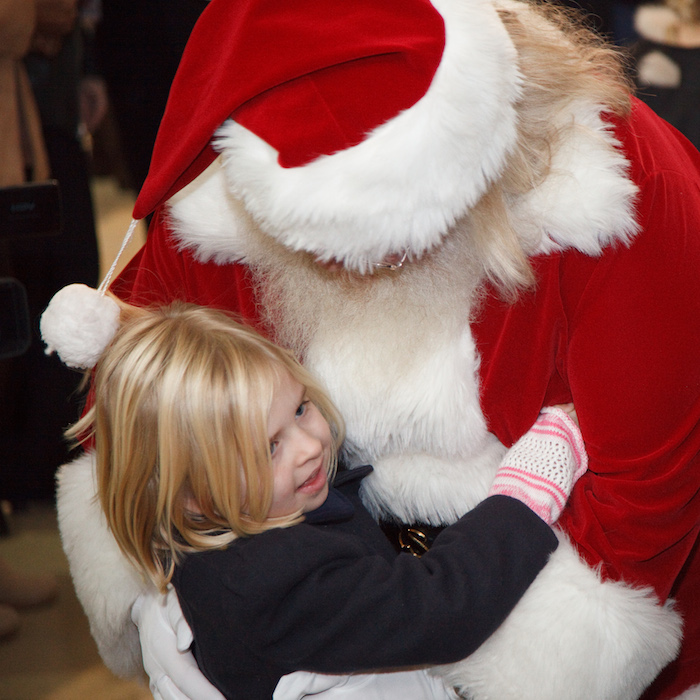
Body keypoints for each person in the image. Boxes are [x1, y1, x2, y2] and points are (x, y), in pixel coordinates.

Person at [50, 1, 700, 698]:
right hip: (435, 585)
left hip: (541, 585)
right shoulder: (220, 189)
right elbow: (132, 389)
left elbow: (642, 509)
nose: (360, 272)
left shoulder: (616, 189)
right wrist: (531, 483)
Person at [58, 298, 585, 699]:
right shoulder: (267, 585)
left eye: (301, 408)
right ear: (192, 497)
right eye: (269, 448)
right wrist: (523, 494)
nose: (311, 447)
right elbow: (438, 609)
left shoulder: (248, 514)